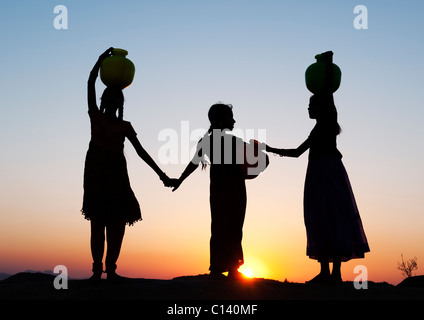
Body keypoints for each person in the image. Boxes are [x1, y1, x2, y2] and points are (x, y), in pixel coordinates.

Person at [82, 48, 171, 281]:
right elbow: (90, 82)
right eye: (108, 98)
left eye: (115, 98)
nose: (111, 101)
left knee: (117, 223)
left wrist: (162, 175)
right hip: (96, 174)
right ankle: (96, 271)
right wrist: (101, 59)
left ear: (121, 102)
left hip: (117, 176)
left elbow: (141, 152)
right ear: (102, 101)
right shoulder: (95, 116)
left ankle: (111, 270)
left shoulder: (125, 126)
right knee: (97, 223)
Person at [265, 94, 370, 284]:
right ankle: (326, 272)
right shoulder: (317, 128)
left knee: (332, 217)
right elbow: (297, 153)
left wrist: (327, 66)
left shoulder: (328, 123)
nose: (308, 108)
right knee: (319, 217)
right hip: (317, 173)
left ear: (323, 107)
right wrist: (269, 148)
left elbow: (329, 92)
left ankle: (334, 273)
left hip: (328, 173)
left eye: (311, 105)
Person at [171, 103, 250, 280]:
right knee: (233, 227)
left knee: (222, 226)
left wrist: (181, 180)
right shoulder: (232, 141)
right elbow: (256, 155)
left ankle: (220, 267)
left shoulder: (209, 141)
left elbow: (193, 163)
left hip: (222, 188)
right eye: (230, 116)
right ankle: (228, 268)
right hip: (232, 188)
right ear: (221, 119)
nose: (234, 120)